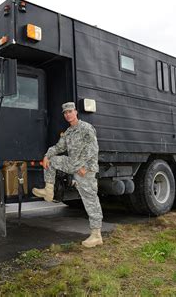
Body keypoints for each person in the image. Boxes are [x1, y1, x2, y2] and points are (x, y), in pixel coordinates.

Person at [32, 102, 103, 247]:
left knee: (90, 200)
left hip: (85, 169)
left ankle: (96, 235)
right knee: (51, 161)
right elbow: (59, 147)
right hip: (72, 164)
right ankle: (49, 190)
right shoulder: (68, 132)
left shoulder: (86, 128)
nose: (68, 114)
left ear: (76, 112)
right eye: (65, 113)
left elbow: (93, 149)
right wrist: (47, 155)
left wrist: (85, 167)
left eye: (70, 111)